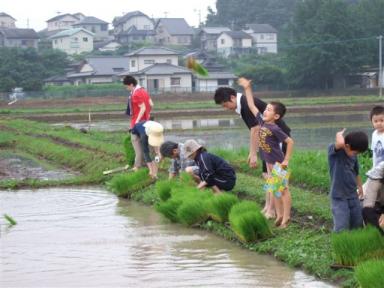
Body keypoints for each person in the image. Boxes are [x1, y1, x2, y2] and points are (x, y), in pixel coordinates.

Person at [214, 83, 291, 217]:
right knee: (267, 175)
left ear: (232, 98)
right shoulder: (243, 104)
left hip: (277, 141)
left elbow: (255, 129)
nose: (226, 108)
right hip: (267, 141)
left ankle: (276, 212)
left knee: (274, 177)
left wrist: (253, 153)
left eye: (225, 105)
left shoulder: (244, 104)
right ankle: (269, 208)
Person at [238, 77, 294, 228]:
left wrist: (286, 160)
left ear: (276, 116)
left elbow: (290, 142)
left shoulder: (275, 128)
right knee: (274, 189)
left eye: (269, 109)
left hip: (278, 163)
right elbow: (251, 105)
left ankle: (286, 217)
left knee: (283, 190)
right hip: (269, 163)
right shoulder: (262, 122)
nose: (265, 110)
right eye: (266, 108)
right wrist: (247, 88)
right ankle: (279, 215)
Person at [328, 129, 369, 232]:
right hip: (339, 197)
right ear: (347, 146)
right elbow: (340, 143)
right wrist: (339, 134)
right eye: (355, 152)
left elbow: (356, 172)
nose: (355, 154)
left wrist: (360, 186)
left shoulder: (353, 156)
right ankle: (340, 244)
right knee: (342, 224)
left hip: (352, 195)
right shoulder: (335, 152)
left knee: (357, 222)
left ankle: (355, 243)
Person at [123, 75, 154, 171]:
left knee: (136, 144)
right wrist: (147, 115)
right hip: (147, 122)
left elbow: (143, 107)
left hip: (137, 123)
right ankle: (149, 165)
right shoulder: (144, 91)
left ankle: (137, 166)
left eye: (127, 86)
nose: (126, 88)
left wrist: (136, 121)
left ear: (131, 84)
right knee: (147, 144)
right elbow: (151, 104)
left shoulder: (135, 94)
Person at [362, 105, 384, 233]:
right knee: (367, 205)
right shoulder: (374, 134)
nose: (379, 124)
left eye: (382, 120)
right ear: (371, 122)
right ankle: (377, 233)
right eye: (376, 121)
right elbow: (375, 155)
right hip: (376, 173)